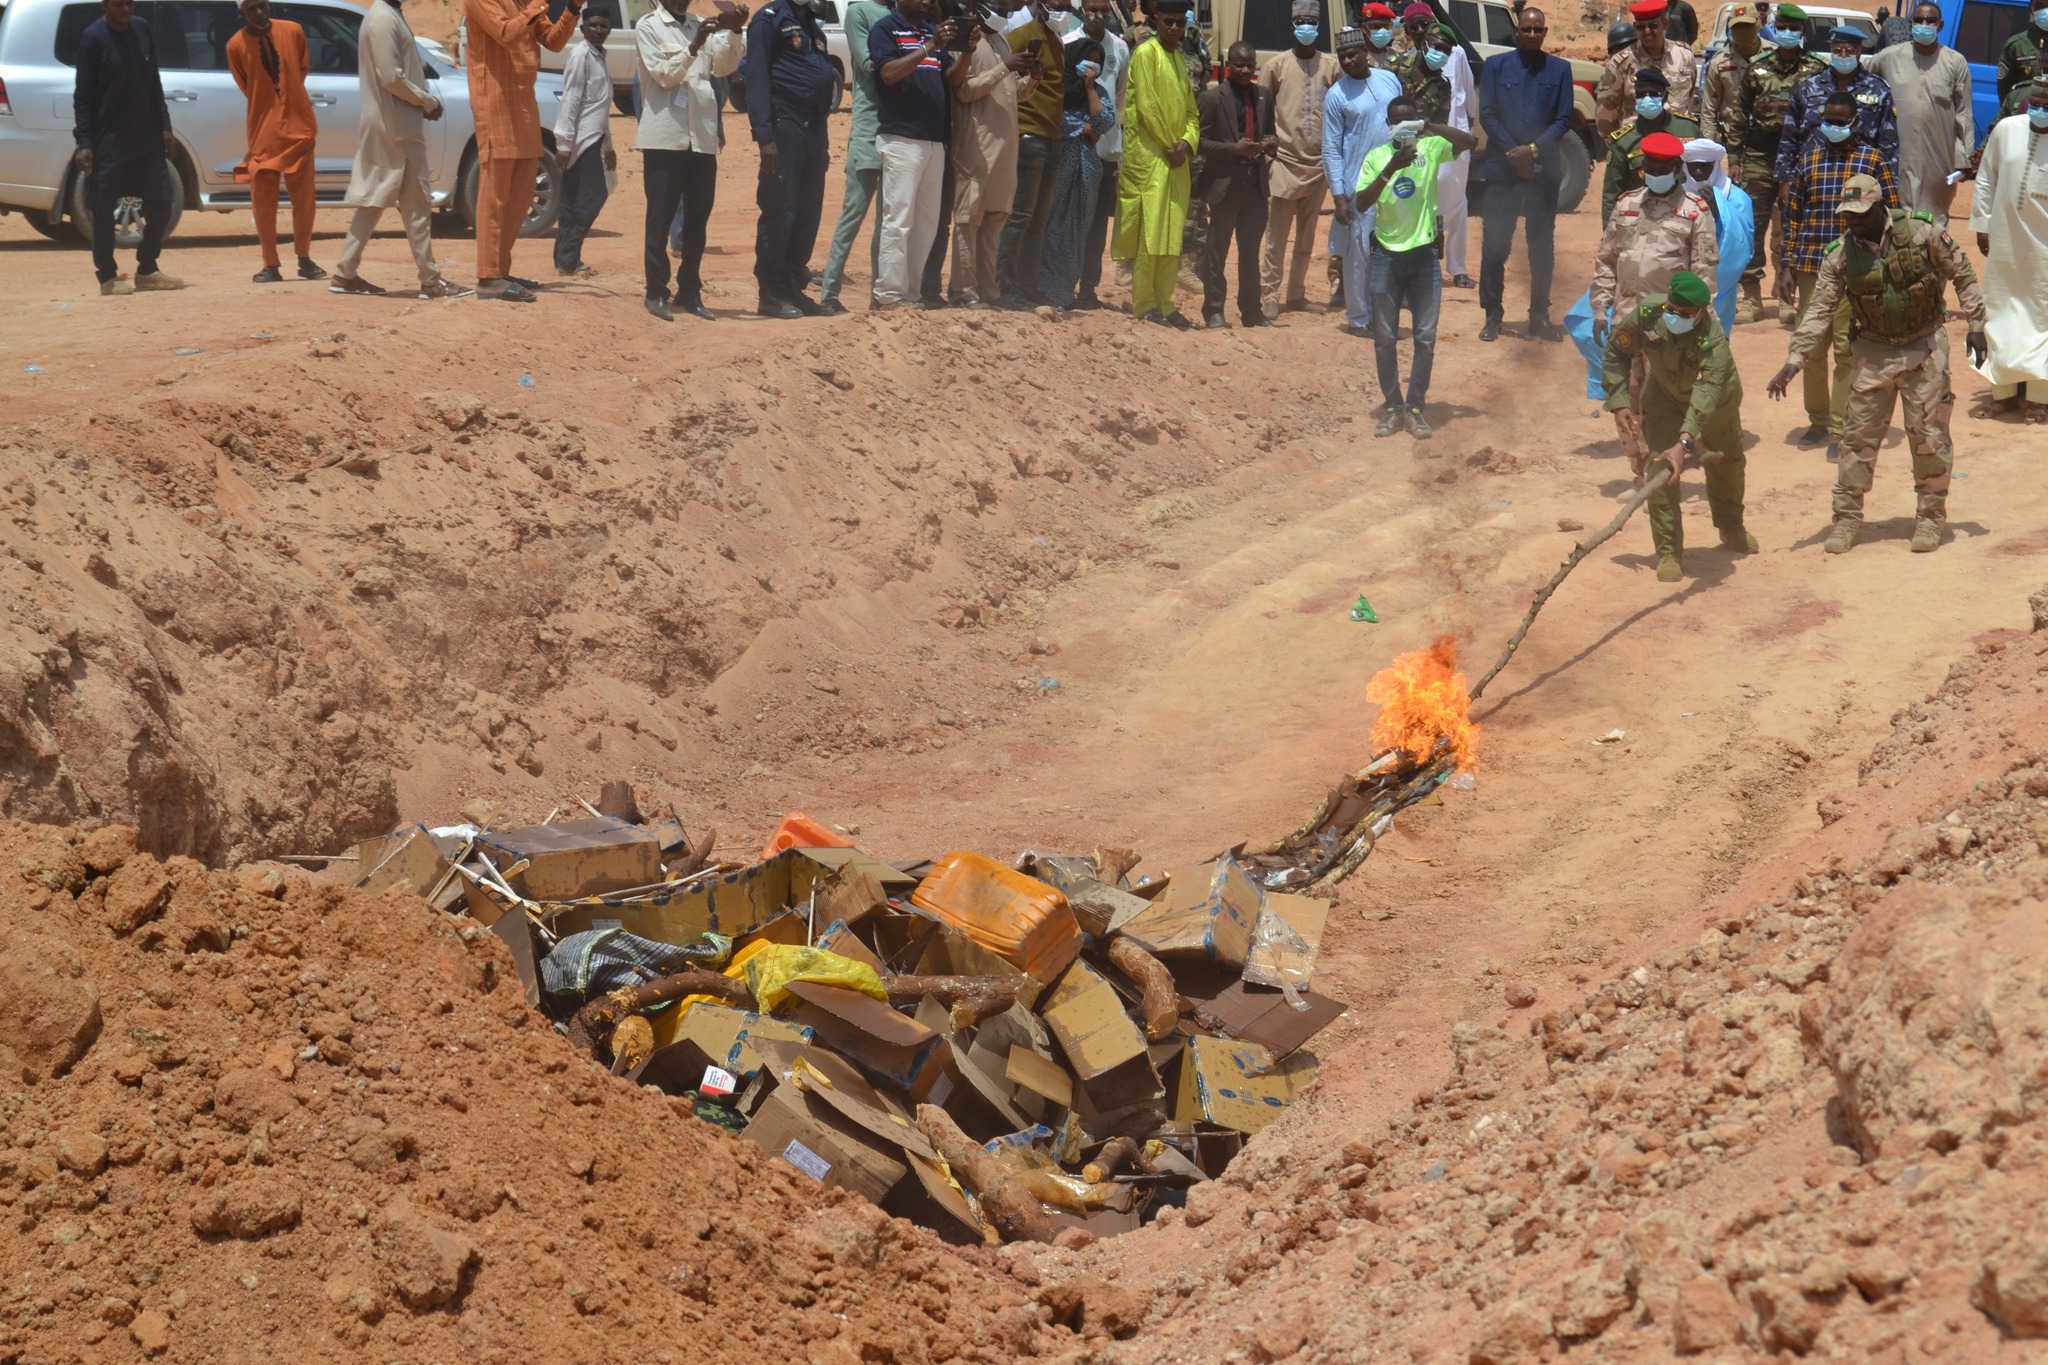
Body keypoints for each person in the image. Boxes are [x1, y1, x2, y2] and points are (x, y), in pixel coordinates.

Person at [1767, 174, 1985, 554]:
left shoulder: (1920, 232)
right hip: (1872, 351)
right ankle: (1847, 520)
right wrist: (1794, 360)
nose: (1853, 221)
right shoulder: (1839, 254)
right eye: (1848, 215)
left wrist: (1977, 325)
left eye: (1861, 214)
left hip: (1924, 347)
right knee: (1857, 441)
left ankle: (1930, 518)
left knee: (1929, 438)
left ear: (1880, 206)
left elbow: (1962, 272)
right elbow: (1818, 310)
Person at [1602, 271, 1753, 582]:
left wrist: (1685, 444)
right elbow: (1617, 350)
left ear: (1701, 313)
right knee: (1660, 469)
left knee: (1729, 464)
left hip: (1715, 407)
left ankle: (1731, 526)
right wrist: (1619, 402)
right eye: (1672, 310)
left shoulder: (1712, 341)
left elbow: (1705, 396)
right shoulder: (1648, 314)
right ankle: (1669, 551)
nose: (1674, 317)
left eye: (1684, 314)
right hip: (1665, 400)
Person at [1355, 93, 1476, 437]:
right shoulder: (1377, 157)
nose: (1402, 128)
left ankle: (1416, 406)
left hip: (1423, 256)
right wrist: (1392, 167)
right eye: (1397, 122)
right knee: (1384, 337)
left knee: (1424, 337)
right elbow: (1361, 203)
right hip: (1386, 257)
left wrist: (1427, 127)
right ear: (1388, 125)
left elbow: (1470, 141)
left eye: (1408, 122)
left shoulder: (1430, 148)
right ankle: (1394, 407)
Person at [1783, 90, 1897, 452]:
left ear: (1855, 122)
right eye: (1827, 121)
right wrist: (1785, 263)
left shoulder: (1873, 160)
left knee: (1848, 349)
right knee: (1811, 347)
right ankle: (1817, 420)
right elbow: (1792, 215)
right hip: (1811, 265)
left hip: (1858, 268)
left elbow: (1892, 213)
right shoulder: (1809, 159)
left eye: (1840, 121)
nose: (1833, 127)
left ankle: (1840, 426)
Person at [332, 0, 467, 298]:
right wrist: (426, 101)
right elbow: (391, 77)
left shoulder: (387, 15)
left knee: (375, 200)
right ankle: (430, 280)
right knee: (416, 202)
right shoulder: (383, 19)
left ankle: (345, 273)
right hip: (397, 127)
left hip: (393, 124)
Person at [636, 0, 745, 320]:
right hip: (665, 138)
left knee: (697, 221)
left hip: (701, 137)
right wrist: (694, 46)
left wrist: (735, 29)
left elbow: (725, 67)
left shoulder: (699, 22)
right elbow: (664, 76)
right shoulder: (648, 26)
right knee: (660, 220)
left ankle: (689, 291)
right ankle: (656, 292)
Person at [463, 0, 578, 302]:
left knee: (523, 191)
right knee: (495, 195)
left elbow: (553, 41)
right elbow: (504, 32)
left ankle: (501, 269)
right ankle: (488, 276)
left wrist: (573, 9)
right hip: (496, 101)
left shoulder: (524, 2)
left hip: (524, 102)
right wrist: (540, 5)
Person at [70, 0, 185, 296]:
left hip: (146, 137)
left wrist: (165, 126)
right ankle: (107, 277)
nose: (126, 10)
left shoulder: (142, 29)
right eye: (118, 5)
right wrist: (84, 142)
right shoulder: (92, 38)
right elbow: (82, 96)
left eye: (129, 4)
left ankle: (147, 269)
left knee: (161, 203)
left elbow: (153, 82)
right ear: (105, 5)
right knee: (103, 208)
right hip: (109, 139)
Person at [1477, 5, 1573, 341]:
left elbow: (1563, 119)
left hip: (1543, 172)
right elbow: (1487, 114)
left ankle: (1539, 316)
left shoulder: (1560, 69)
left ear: (1545, 33)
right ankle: (1493, 314)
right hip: (1503, 171)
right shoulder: (1495, 66)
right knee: (1495, 245)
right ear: (1517, 31)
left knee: (1541, 248)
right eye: (1527, 29)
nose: (1532, 34)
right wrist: (1515, 155)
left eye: (1538, 30)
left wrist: (1532, 151)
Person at [868, 0, 966, 308]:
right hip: (901, 139)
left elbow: (953, 79)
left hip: (934, 140)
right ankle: (888, 294)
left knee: (926, 223)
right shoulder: (886, 29)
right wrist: (929, 46)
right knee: (898, 220)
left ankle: (911, 293)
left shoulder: (929, 30)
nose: (927, 2)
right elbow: (888, 73)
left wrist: (969, 50)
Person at [748, 0, 838, 317]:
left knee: (807, 209)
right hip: (783, 122)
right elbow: (756, 75)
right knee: (780, 207)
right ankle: (770, 291)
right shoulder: (769, 19)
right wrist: (764, 136)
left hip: (813, 126)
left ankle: (792, 285)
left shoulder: (810, 20)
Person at [1592, 131, 1718, 353]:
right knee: (1624, 386)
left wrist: (1700, 322)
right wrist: (1601, 309)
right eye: (1649, 171)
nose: (1655, 176)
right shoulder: (1626, 204)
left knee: (1664, 387)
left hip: (1668, 325)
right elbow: (1606, 260)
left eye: (1662, 171)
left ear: (1677, 168)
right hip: (1625, 321)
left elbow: (1703, 274)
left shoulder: (1695, 211)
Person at [1114, 0, 1200, 326]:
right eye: (1169, 22)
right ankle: (1145, 303)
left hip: (1175, 161)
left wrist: (1188, 142)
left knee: (1170, 235)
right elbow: (1148, 108)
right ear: (1157, 20)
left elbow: (1192, 112)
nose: (1175, 28)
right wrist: (1171, 145)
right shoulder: (1146, 54)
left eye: (1180, 23)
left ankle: (1165, 304)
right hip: (1150, 160)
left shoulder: (1179, 58)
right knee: (1148, 236)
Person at [227, 0, 322, 285]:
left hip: (299, 127)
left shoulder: (293, 31)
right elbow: (247, 86)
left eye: (261, 6)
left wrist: (287, 96)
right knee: (263, 203)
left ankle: (304, 258)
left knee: (304, 201)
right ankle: (270, 264)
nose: (258, 13)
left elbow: (300, 69)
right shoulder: (235, 45)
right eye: (251, 9)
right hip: (263, 134)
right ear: (241, 13)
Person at [1969, 80, 2048, 420]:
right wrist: (1982, 224)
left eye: (2046, 104)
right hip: (2004, 241)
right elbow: (1986, 177)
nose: (2039, 109)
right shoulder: (2006, 129)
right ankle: (2002, 394)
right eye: (2036, 102)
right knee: (2000, 312)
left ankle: (2038, 399)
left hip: (2043, 246)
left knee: (2041, 317)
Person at [1260, 0, 1342, 316]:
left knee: (1306, 238)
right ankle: (1269, 294)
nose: (1307, 26)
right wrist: (1267, 153)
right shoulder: (1276, 67)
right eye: (1301, 20)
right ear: (1293, 25)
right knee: (1276, 237)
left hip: (1319, 164)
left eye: (1312, 20)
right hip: (1284, 161)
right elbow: (1264, 109)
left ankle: (1296, 295)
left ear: (1318, 25)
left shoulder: (1331, 66)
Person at [951, 16, 1037, 306]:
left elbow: (1013, 92)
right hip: (977, 145)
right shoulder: (967, 42)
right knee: (969, 219)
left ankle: (989, 291)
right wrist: (1006, 66)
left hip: (1005, 149)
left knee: (994, 221)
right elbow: (964, 91)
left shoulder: (1000, 41)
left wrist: (1034, 77)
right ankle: (963, 291)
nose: (1002, 10)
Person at [1325, 27, 1401, 337]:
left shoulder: (1389, 80)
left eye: (1352, 54)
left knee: (1389, 251)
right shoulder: (1336, 95)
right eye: (1342, 56)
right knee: (1359, 256)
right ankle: (1358, 318)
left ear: (1365, 52)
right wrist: (1339, 196)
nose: (1347, 60)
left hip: (1395, 180)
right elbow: (1330, 148)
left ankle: (1383, 314)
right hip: (1359, 186)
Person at [1195, 41, 1276, 328]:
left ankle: (1251, 311)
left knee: (1250, 252)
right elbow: (1200, 143)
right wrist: (1234, 149)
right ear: (1228, 65)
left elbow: (1270, 132)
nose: (1245, 69)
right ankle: (1214, 310)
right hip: (1224, 184)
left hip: (1254, 185)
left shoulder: (1264, 96)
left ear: (1256, 65)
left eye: (1250, 64)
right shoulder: (1212, 99)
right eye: (1239, 64)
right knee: (1217, 251)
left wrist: (1270, 143)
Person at [1865, 1, 1970, 222]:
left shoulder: (1955, 61)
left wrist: (1964, 159)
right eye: (1919, 20)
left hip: (1938, 157)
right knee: (1895, 218)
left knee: (1933, 221)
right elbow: (1863, 83)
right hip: (1896, 155)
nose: (1924, 25)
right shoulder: (1888, 57)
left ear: (1940, 26)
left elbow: (1964, 113)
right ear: (1911, 24)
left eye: (1930, 21)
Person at [820, 0, 891, 313]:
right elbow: (866, 63)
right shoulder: (859, 11)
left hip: (898, 132)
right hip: (868, 129)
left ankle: (880, 293)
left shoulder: (903, 13)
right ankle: (830, 292)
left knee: (888, 223)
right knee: (853, 215)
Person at [1395, 23, 1476, 289]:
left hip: (1432, 149)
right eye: (1436, 47)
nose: (1440, 53)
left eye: (1445, 50)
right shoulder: (1398, 69)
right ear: (1424, 43)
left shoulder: (1444, 82)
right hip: (1397, 150)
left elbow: (1446, 116)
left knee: (1451, 204)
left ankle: (1451, 267)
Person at [998, 0, 1067, 307]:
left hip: (1052, 137)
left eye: (1067, 4)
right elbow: (1000, 67)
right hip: (1029, 135)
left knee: (1039, 218)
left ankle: (1027, 285)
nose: (1062, 10)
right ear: (1040, 4)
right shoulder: (1024, 34)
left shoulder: (1056, 40)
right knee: (1021, 215)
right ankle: (1006, 285)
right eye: (1057, 3)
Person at [1042, 37, 1115, 309]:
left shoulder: (1100, 91)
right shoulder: (1059, 86)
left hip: (1087, 172)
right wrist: (1083, 129)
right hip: (1060, 164)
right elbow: (1053, 117)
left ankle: (1063, 290)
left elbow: (1104, 121)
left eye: (1098, 60)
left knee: (1077, 229)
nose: (1092, 65)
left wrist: (1090, 89)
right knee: (1052, 224)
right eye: (1088, 58)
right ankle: (1043, 287)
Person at [1775, 26, 1896, 186]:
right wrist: (1785, 179)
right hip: (1813, 175)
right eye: (1837, 51)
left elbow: (1889, 143)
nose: (1843, 56)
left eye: (1850, 51)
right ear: (1830, 51)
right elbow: (1789, 136)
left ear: (1859, 51)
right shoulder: (1809, 86)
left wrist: (1888, 184)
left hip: (1861, 178)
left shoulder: (1879, 89)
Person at [552, 6, 615, 279]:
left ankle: (566, 259)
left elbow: (600, 105)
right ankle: (568, 256)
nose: (598, 31)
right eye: (593, 26)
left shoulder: (600, 56)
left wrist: (609, 144)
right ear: (583, 29)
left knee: (573, 200)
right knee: (593, 196)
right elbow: (572, 99)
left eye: (603, 26)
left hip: (593, 137)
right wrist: (564, 143)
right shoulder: (580, 55)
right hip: (580, 140)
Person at [1601, 67, 1701, 225]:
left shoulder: (1689, 129)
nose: (1647, 98)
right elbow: (1612, 193)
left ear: (1665, 96)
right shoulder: (1624, 141)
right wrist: (1610, 232)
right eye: (1641, 94)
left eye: (1654, 93)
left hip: (1685, 217)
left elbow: (1706, 175)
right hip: (1643, 221)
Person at [1077, 0, 1127, 309]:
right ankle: (1060, 282)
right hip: (1074, 145)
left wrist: (1104, 125)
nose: (1098, 14)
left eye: (1103, 8)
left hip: (1106, 147)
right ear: (1081, 8)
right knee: (1071, 218)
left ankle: (1088, 289)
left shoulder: (1120, 47)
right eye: (1091, 8)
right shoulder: (1067, 42)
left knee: (1097, 224)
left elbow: (1119, 96)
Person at [1682, 137, 1755, 331]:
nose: (1698, 172)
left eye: (1704, 167)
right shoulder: (1678, 196)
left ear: (1715, 166)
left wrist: (1719, 209)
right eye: (1693, 167)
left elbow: (1744, 244)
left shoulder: (1737, 197)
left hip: (1721, 286)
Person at [1596, 0, 1698, 139]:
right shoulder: (1621, 63)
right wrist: (1619, 148)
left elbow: (1688, 101)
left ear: (1665, 24)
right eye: (1641, 27)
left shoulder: (1684, 56)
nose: (1647, 31)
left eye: (1653, 25)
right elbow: (1605, 113)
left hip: (1678, 142)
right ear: (1634, 27)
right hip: (1637, 145)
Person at [1699, 1, 1758, 151]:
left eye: (1747, 26)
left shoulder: (1773, 54)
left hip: (1768, 141)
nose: (1742, 31)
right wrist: (1708, 147)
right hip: (1732, 141)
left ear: (1758, 25)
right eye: (1737, 27)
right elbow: (1709, 111)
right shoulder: (1719, 62)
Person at [1997, 2, 2045, 106]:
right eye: (2041, 6)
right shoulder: (2016, 46)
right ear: (2031, 9)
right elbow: (2005, 97)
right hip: (2024, 116)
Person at [1360, 2, 1400, 70]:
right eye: (1376, 26)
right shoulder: (1358, 57)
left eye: (1387, 26)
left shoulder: (1394, 54)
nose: (1383, 30)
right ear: (1364, 28)